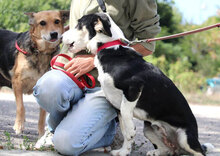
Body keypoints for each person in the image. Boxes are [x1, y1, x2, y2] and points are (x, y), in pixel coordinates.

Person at [33, 0, 161, 155]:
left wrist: (95, 60)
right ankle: (55, 129)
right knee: (47, 87)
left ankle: (109, 132)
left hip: (105, 85)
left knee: (66, 145)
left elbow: (147, 46)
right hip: (70, 74)